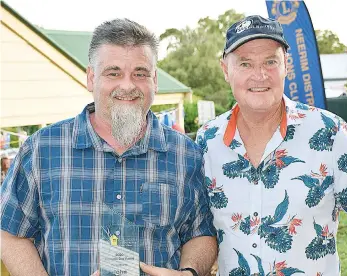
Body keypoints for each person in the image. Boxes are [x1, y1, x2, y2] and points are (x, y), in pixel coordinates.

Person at [0, 18, 217, 276]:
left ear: (155, 80)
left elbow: (201, 233)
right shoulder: (41, 150)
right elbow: (10, 233)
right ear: (91, 78)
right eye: (113, 73)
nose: (127, 85)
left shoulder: (186, 155)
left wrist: (189, 273)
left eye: (140, 73)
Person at [196, 15, 347, 276]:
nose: (260, 75)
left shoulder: (329, 132)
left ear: (286, 65)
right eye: (245, 63)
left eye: (270, 61)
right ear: (225, 70)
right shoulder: (207, 140)